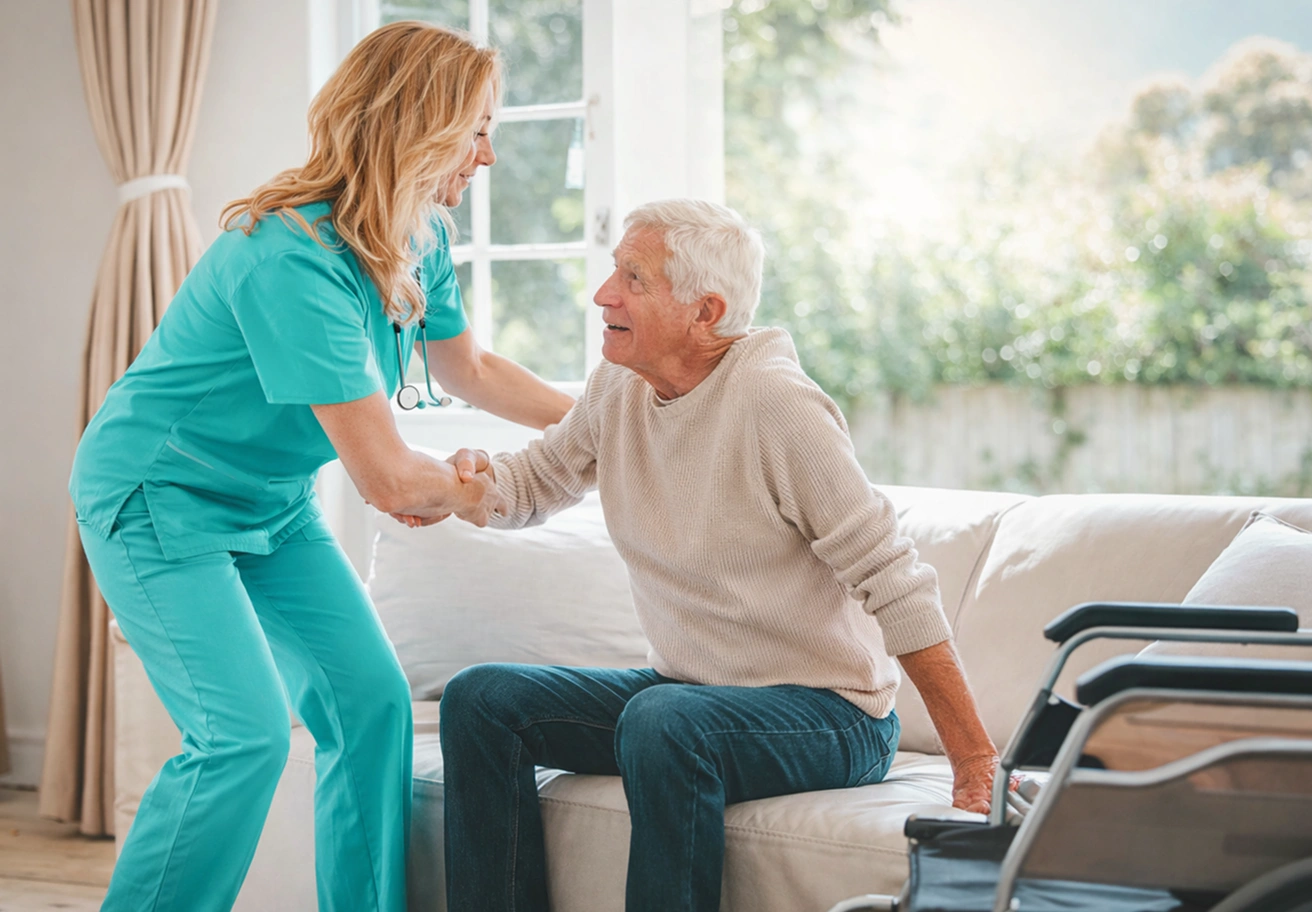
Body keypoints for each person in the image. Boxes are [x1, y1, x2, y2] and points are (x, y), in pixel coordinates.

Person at [68, 21, 572, 912]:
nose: (488, 157)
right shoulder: (289, 256)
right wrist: (461, 486)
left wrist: (612, 421)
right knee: (241, 736)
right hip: (157, 497)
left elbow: (473, 370)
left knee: (370, 708)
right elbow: (387, 478)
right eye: (478, 130)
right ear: (416, 123)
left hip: (272, 504)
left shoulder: (417, 235)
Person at [434, 199, 999, 912]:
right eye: (613, 272)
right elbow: (536, 479)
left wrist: (973, 758)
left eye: (633, 278)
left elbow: (894, 579)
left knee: (664, 718)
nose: (604, 294)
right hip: (692, 698)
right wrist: (453, 487)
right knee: (484, 700)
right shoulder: (621, 384)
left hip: (831, 715)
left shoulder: (777, 406)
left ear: (705, 311)